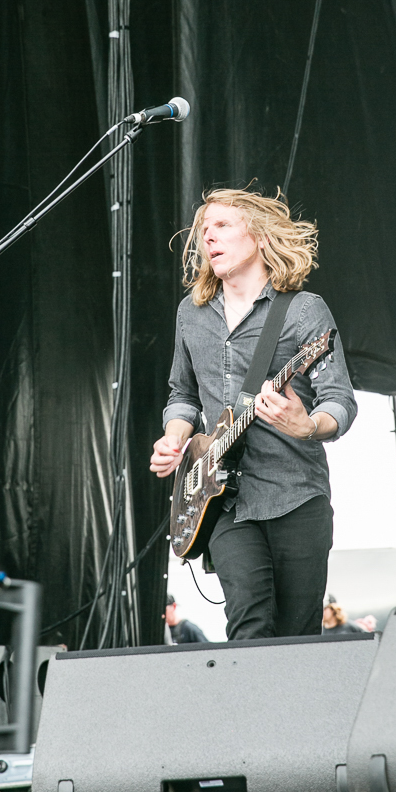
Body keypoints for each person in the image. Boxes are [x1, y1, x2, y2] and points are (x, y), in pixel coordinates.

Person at [150, 188, 356, 640]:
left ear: (260, 236)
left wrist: (308, 425)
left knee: (298, 634)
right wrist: (174, 436)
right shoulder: (191, 313)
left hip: (294, 495)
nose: (208, 236)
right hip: (222, 499)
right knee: (249, 623)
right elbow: (182, 393)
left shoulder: (303, 310)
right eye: (204, 229)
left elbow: (339, 399)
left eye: (222, 225)